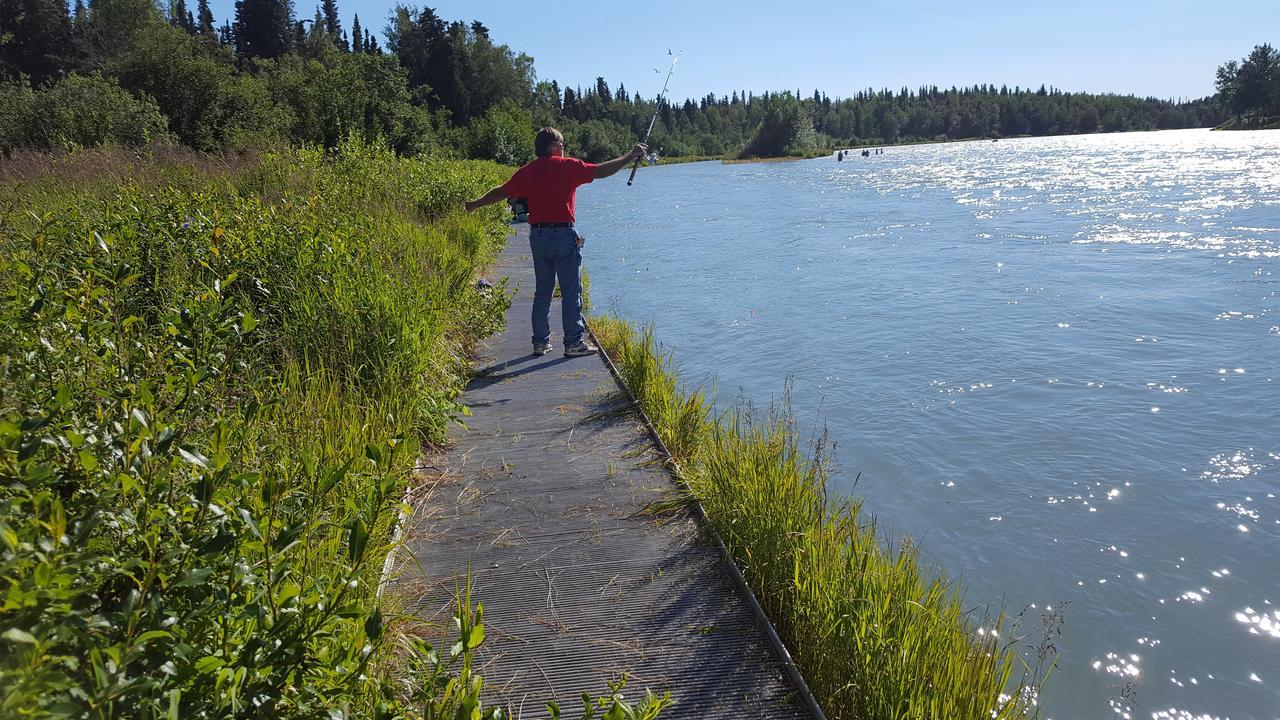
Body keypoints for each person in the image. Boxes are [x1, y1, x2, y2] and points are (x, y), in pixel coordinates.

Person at [465, 127, 647, 358]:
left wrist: (474, 205)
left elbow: (501, 192)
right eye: (561, 143)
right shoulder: (568, 166)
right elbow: (601, 171)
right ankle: (573, 343)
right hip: (563, 234)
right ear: (554, 147)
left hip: (538, 236)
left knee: (543, 291)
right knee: (571, 291)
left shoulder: (527, 171)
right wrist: (629, 156)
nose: (564, 147)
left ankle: (540, 343)